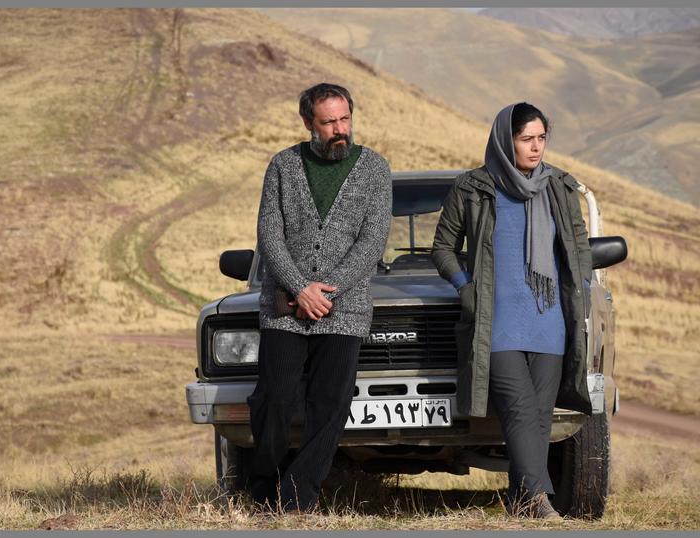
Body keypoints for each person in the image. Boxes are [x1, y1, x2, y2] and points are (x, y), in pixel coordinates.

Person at [431, 102, 593, 519]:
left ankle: (521, 503)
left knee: (539, 417)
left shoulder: (559, 186)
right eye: (526, 139)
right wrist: (465, 287)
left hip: (549, 320)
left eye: (541, 138)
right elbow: (443, 248)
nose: (536, 147)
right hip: (495, 321)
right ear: (506, 140)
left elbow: (578, 250)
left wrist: (579, 295)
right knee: (519, 409)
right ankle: (540, 500)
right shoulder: (473, 186)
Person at [247, 82, 392, 512]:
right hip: (286, 308)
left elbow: (372, 241)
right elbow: (269, 234)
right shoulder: (283, 166)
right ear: (308, 122)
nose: (339, 129)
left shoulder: (375, 169)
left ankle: (296, 497)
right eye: (329, 122)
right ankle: (262, 487)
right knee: (274, 396)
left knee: (331, 404)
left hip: (344, 308)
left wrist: (328, 291)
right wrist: (299, 289)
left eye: (344, 119)